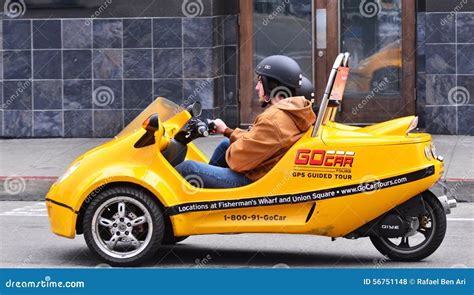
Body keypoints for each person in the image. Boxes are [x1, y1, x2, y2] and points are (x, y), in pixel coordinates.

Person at [175, 55, 316, 188]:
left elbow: (238, 161)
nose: (256, 87)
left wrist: (236, 145)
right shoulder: (294, 111)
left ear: (270, 85)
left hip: (253, 179)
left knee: (188, 168)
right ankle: (207, 196)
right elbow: (257, 140)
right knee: (225, 144)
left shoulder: (273, 120)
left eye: (260, 82)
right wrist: (226, 131)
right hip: (265, 170)